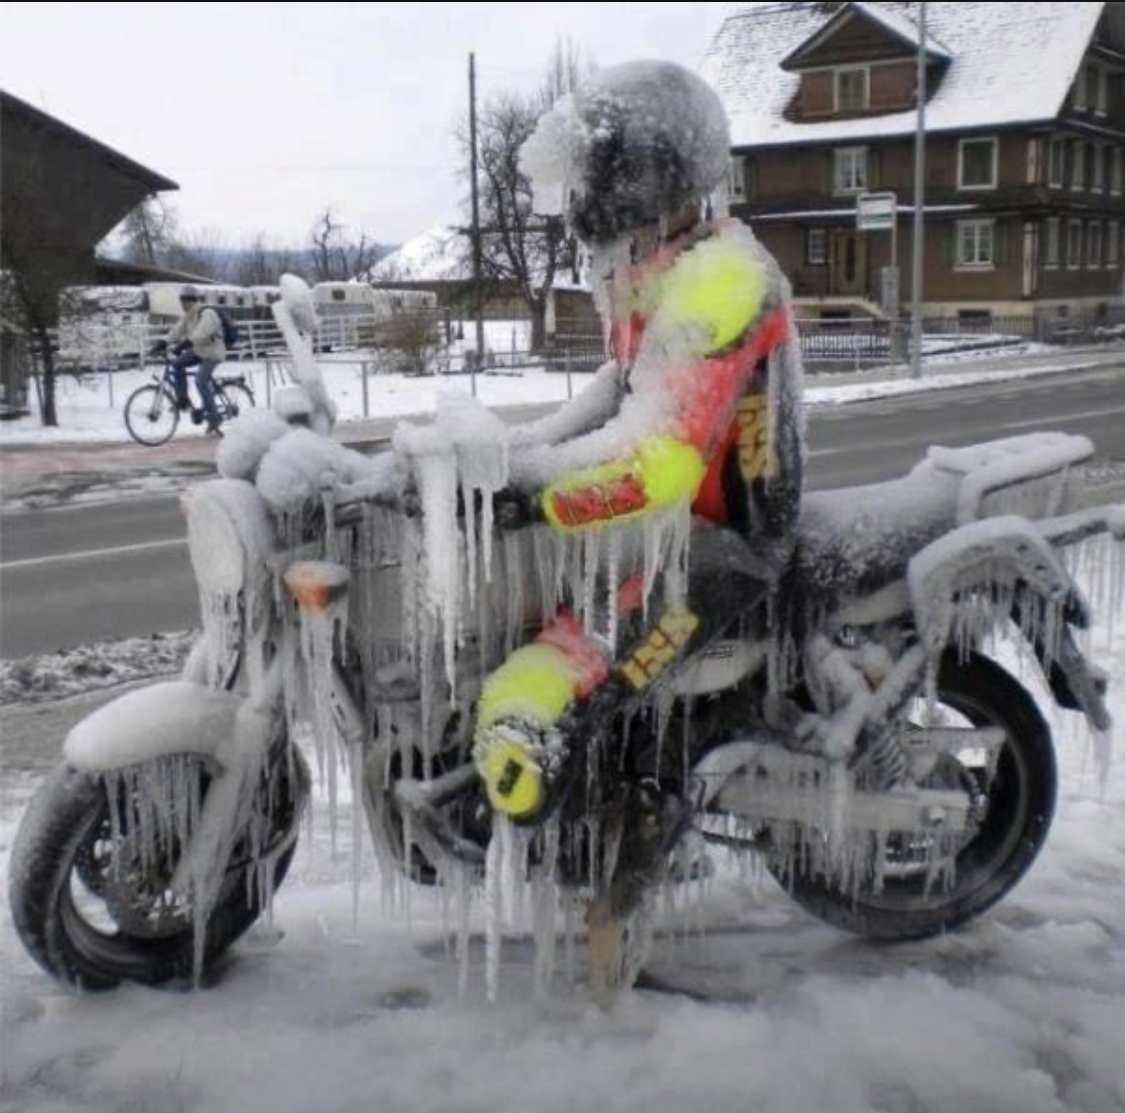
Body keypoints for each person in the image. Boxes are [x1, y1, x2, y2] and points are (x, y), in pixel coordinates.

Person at [471, 60, 806, 824]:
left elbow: (660, 459)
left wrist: (534, 495)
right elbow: (615, 394)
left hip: (730, 540)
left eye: (595, 172)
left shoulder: (719, 277)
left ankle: (626, 839)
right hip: (681, 525)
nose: (582, 196)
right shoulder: (659, 264)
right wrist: (506, 457)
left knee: (551, 683)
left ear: (641, 174)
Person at [154, 286, 226, 433]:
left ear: (191, 301)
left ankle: (214, 417)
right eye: (181, 302)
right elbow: (177, 330)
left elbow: (201, 333)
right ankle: (183, 398)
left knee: (200, 381)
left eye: (184, 302)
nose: (182, 306)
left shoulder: (207, 313)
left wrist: (184, 344)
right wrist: (163, 342)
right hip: (199, 351)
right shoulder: (188, 315)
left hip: (213, 353)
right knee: (177, 364)